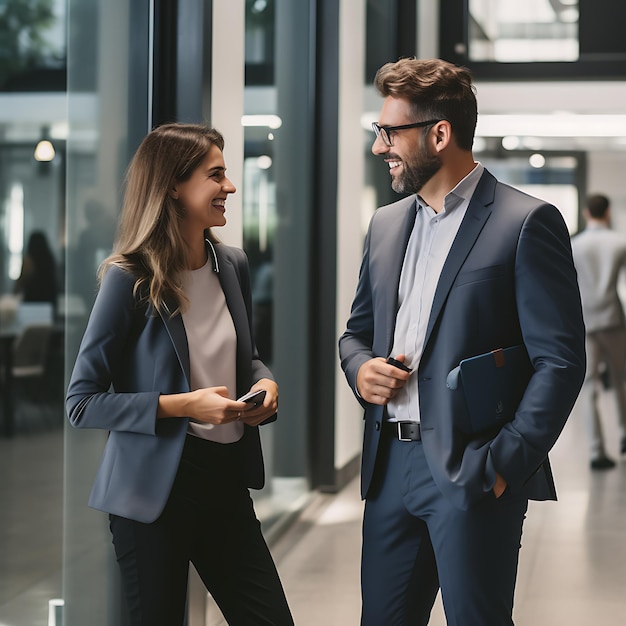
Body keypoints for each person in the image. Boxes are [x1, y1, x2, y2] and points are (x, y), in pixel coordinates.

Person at [339, 58, 586, 625]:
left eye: (389, 132)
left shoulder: (526, 222)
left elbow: (561, 361)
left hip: (473, 470)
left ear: (439, 134)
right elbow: (356, 334)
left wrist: (504, 464)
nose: (379, 148)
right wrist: (360, 369)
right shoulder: (384, 225)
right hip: (389, 470)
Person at [66, 123, 293, 626]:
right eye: (216, 175)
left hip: (224, 481)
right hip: (152, 495)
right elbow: (81, 402)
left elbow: (245, 356)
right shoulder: (129, 278)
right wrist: (185, 404)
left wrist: (265, 381)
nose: (229, 187)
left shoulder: (231, 265)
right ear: (173, 185)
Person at [571, 193, 626, 470]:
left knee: (589, 387)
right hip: (614, 321)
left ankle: (596, 450)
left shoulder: (574, 245)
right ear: (607, 212)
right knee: (621, 381)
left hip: (586, 321)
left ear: (585, 213)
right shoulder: (619, 243)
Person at [13, 230, 58, 312]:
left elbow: (18, 286)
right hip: (49, 305)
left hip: (32, 305)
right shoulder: (50, 260)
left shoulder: (29, 261)